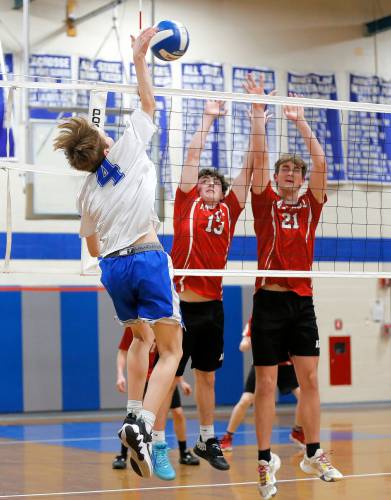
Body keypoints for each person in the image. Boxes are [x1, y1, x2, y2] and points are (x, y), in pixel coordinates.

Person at [53, 27, 182, 480]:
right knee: (171, 352)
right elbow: (148, 105)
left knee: (140, 339)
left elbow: (90, 245)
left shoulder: (86, 193)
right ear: (105, 145)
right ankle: (145, 425)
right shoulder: (125, 150)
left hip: (112, 268)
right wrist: (139, 57)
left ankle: (131, 414)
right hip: (146, 259)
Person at [248, 74, 343, 498]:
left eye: (294, 170)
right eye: (283, 169)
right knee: (265, 384)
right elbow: (259, 162)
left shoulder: (311, 204)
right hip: (268, 301)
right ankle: (266, 461)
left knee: (311, 382)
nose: (288, 174)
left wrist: (301, 123)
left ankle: (313, 452)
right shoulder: (264, 201)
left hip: (302, 303)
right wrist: (259, 118)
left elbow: (321, 164)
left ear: (302, 179)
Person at [170, 87, 255, 471]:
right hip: (177, 306)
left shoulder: (228, 211)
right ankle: (154, 439)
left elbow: (248, 172)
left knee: (207, 378)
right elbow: (191, 156)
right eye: (203, 181)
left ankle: (207, 438)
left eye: (214, 183)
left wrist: (256, 119)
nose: (207, 184)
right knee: (165, 375)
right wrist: (208, 119)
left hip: (213, 309)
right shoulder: (186, 202)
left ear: (222, 194)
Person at [112, 327, 199, 477]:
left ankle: (184, 452)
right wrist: (120, 375)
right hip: (143, 380)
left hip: (162, 380)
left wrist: (182, 382)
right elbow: (123, 351)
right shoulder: (135, 327)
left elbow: (171, 360)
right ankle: (122, 455)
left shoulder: (164, 325)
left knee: (178, 412)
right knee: (135, 416)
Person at [219, 320, 305, 452]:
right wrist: (245, 342)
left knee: (303, 396)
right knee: (246, 400)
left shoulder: (289, 312)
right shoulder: (258, 315)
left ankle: (297, 431)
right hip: (263, 363)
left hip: (285, 364)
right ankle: (228, 437)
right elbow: (245, 341)